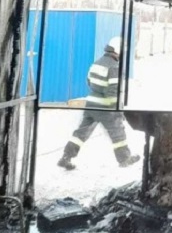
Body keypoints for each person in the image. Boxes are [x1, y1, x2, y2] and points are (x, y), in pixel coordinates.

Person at [58, 37, 140, 170]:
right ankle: (124, 159)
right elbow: (113, 92)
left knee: (81, 132)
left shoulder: (96, 63)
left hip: (91, 104)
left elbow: (89, 82)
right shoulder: (114, 67)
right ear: (118, 51)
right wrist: (117, 110)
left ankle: (66, 157)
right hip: (105, 107)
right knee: (117, 131)